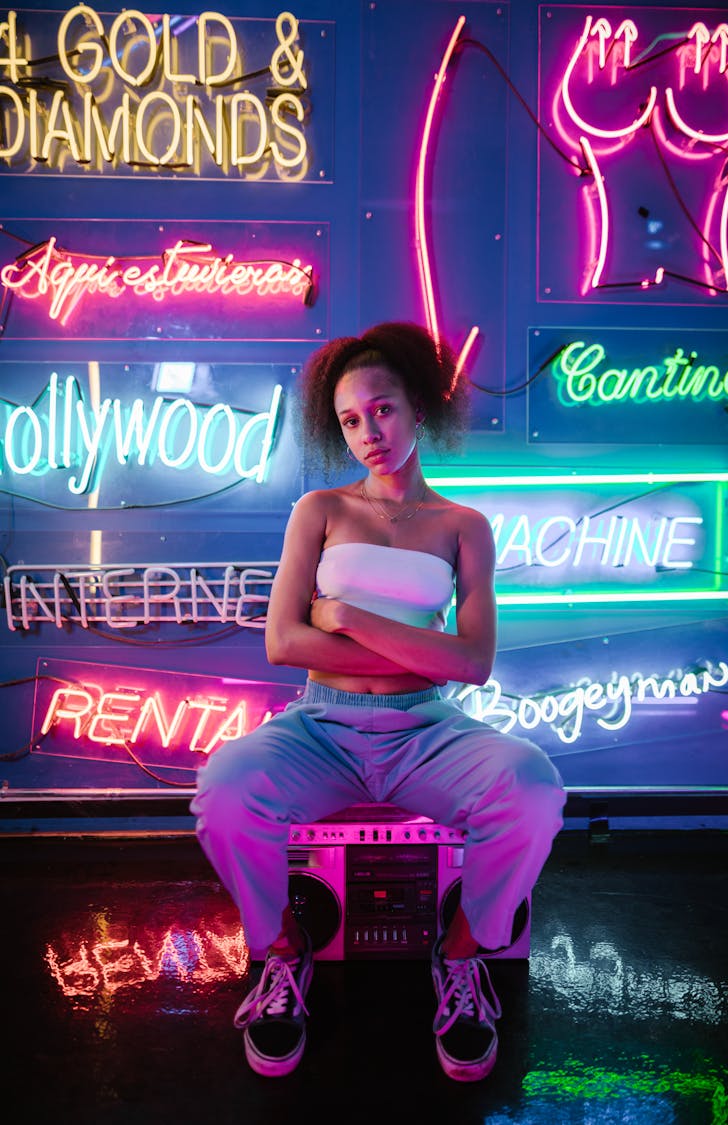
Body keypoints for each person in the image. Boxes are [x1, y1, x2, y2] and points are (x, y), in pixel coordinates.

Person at [190, 321, 566, 1083]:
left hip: (429, 731)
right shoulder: (319, 510)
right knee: (223, 789)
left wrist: (352, 616)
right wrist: (418, 651)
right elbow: (285, 645)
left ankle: (459, 957)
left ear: (418, 407)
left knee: (533, 787)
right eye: (351, 420)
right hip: (320, 726)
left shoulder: (465, 526)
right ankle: (285, 956)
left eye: (383, 410)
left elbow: (474, 662)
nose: (369, 432)